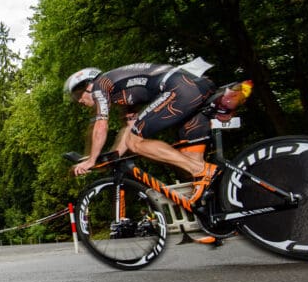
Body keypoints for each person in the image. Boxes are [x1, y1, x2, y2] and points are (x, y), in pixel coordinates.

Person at [64, 63, 217, 201]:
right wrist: (111, 158)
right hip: (196, 85)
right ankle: (222, 200)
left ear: (88, 86)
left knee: (136, 142)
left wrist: (91, 160)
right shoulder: (120, 92)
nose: (79, 101)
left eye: (78, 95)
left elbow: (101, 125)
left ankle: (203, 170)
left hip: (181, 88)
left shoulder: (100, 85)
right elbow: (130, 128)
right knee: (190, 160)